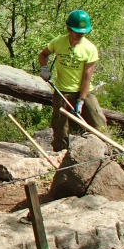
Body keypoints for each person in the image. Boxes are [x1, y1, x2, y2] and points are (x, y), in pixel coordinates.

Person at [38, 9, 107, 152]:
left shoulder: (90, 49)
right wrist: (45, 69)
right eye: (77, 31)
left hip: (84, 91)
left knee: (98, 122)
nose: (80, 35)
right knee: (60, 128)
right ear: (69, 28)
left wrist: (81, 100)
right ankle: (60, 155)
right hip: (62, 90)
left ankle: (105, 152)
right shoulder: (58, 42)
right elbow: (43, 55)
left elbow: (87, 78)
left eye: (83, 32)